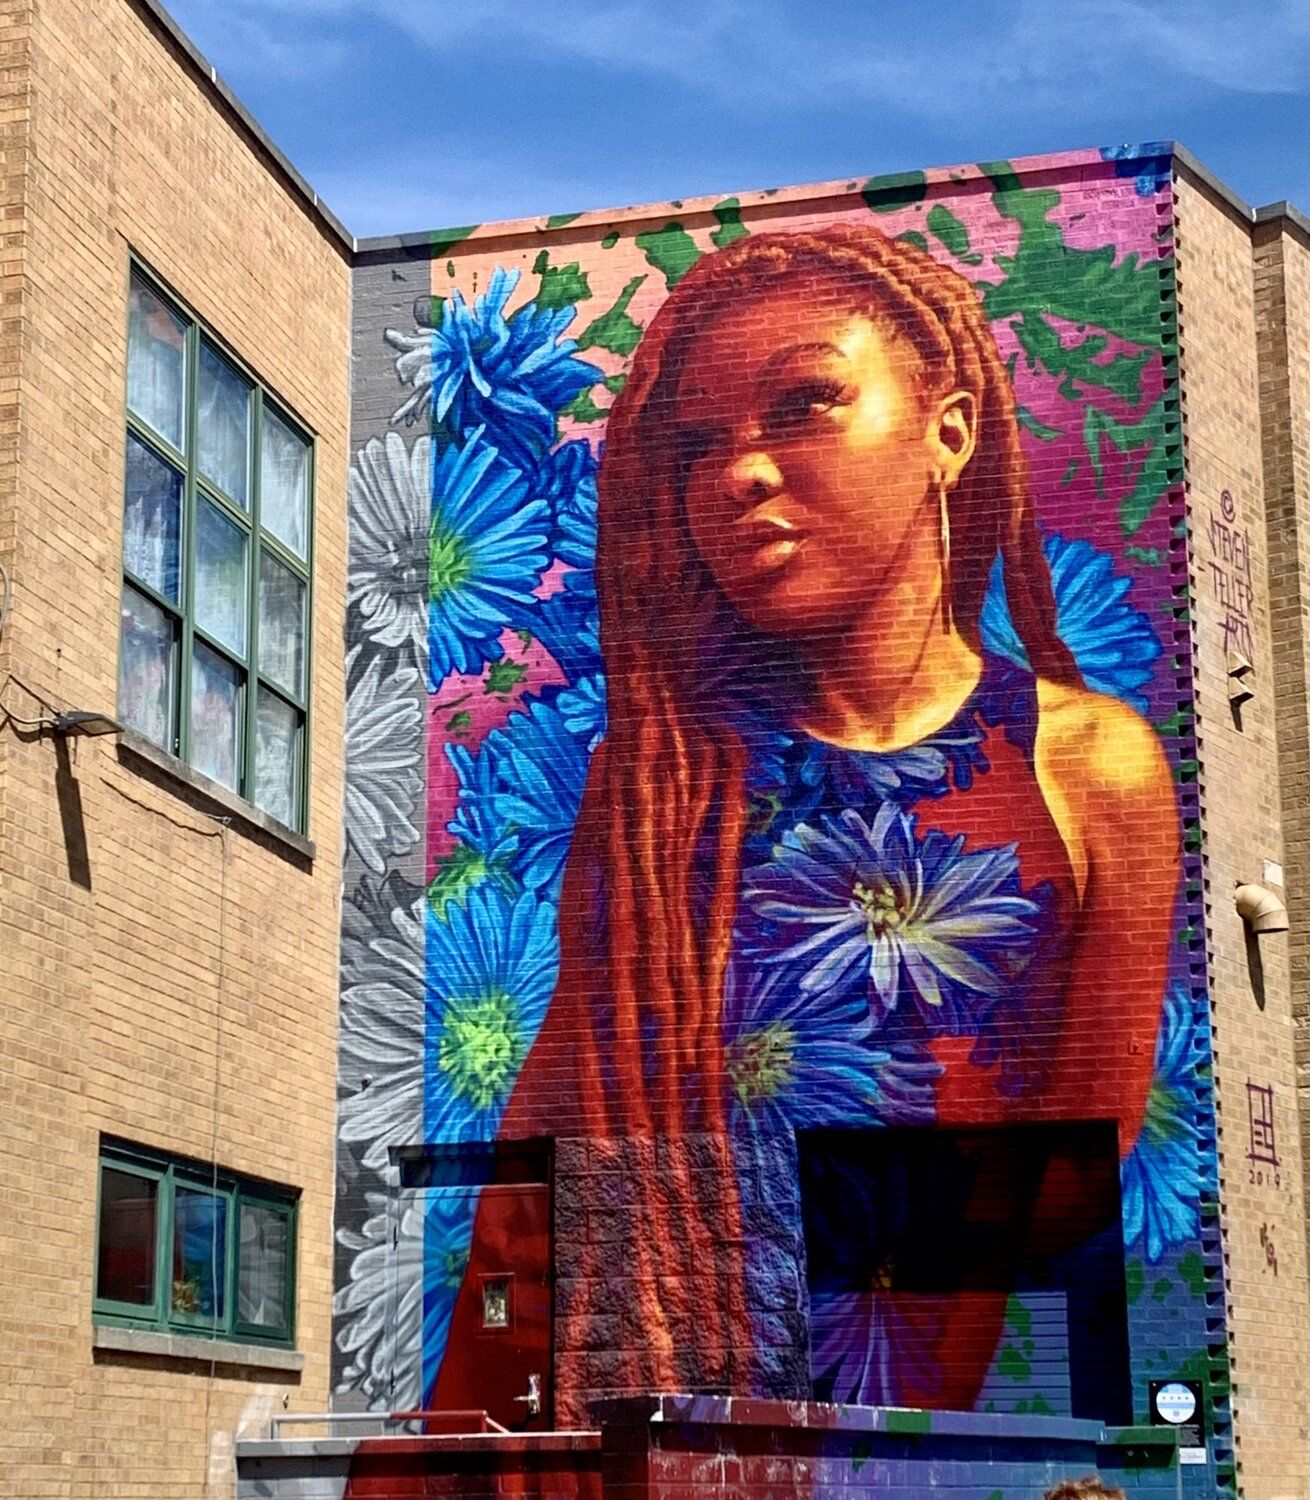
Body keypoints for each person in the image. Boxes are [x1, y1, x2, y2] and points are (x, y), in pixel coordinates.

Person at [433, 223, 1178, 1421]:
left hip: (940, 1424)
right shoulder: (659, 784)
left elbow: (1079, 1172)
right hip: (661, 1432)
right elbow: (541, 1166)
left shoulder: (1090, 767)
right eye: (697, 444)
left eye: (801, 405)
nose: (739, 473)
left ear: (948, 431)